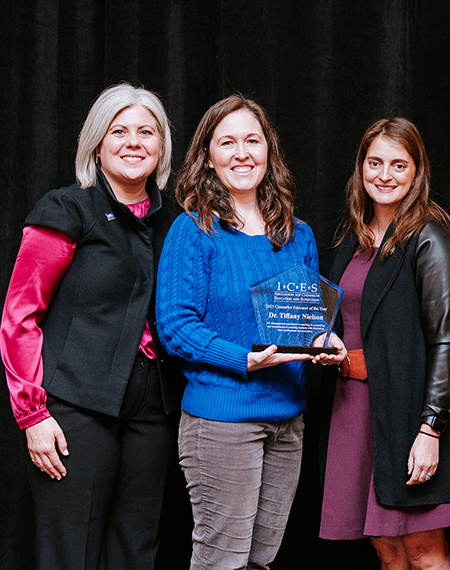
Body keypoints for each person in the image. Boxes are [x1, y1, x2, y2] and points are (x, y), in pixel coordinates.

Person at [155, 94, 346, 570]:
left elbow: (304, 321)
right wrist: (244, 358)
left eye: (252, 140)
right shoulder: (193, 231)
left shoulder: (296, 234)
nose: (242, 153)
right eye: (227, 142)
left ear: (268, 151)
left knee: (259, 563)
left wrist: (324, 342)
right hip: (223, 421)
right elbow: (175, 327)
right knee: (222, 562)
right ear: (208, 157)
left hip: (288, 421)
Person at [0, 83, 184, 570]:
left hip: (153, 410)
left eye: (147, 132)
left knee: (137, 548)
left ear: (162, 146)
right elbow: (21, 315)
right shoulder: (67, 209)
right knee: (71, 552)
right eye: (119, 131)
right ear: (97, 142)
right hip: (75, 407)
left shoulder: (178, 223)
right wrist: (32, 415)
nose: (133, 142)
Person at [319, 117, 450, 569]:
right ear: (361, 168)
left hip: (408, 414)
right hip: (353, 409)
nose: (385, 175)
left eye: (399, 164)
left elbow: (445, 340)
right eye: (375, 162)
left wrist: (431, 429)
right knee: (387, 550)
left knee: (423, 551)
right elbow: (343, 319)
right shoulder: (351, 241)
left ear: (417, 172)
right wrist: (326, 338)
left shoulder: (427, 236)